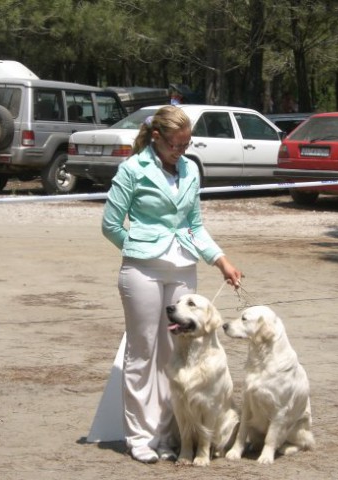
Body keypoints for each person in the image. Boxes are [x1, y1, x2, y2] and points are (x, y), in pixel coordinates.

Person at [101, 105, 243, 464]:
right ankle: (139, 437)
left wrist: (221, 260)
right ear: (157, 138)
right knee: (142, 351)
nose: (182, 150)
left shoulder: (190, 169)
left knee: (175, 353)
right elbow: (111, 224)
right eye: (176, 144)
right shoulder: (132, 169)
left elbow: (195, 225)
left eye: (187, 143)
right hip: (142, 271)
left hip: (183, 268)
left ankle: (167, 434)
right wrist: (138, 249)